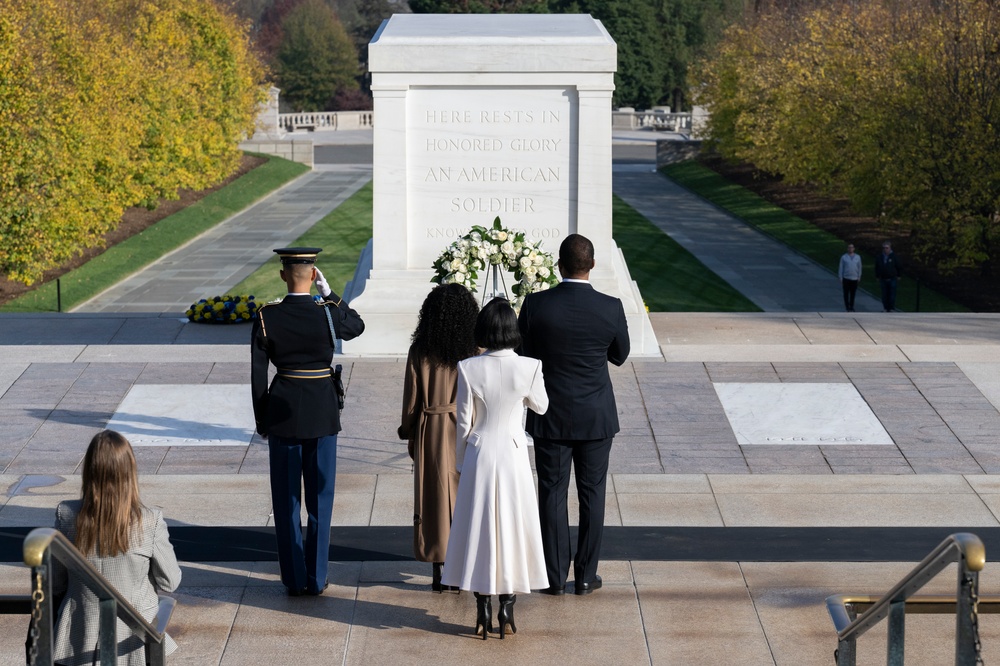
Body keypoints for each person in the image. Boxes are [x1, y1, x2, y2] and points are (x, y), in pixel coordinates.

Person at [517, 233, 630, 596]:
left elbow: (525, 352)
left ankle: (552, 577)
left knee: (551, 494)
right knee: (592, 494)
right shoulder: (610, 307)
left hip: (550, 413)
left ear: (558, 265)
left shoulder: (536, 305)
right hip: (595, 416)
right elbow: (619, 355)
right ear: (592, 265)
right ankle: (585, 576)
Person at [251, 247, 365, 596]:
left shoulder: (267, 316)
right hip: (322, 412)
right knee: (320, 498)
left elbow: (258, 375)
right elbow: (357, 326)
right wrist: (330, 295)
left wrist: (262, 420)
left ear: (284, 274)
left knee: (286, 501)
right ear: (313, 274)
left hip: (283, 413)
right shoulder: (328, 314)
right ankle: (316, 578)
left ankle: (293, 577)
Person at [441, 297, 549, 640]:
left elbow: (463, 421)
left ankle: (482, 604)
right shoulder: (530, 367)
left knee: (480, 528)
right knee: (513, 527)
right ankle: (507, 605)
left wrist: (460, 461)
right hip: (514, 454)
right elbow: (542, 407)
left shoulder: (468, 367)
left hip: (481, 453)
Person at [51, 430, 182, 666]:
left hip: (79, 633)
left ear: (89, 470)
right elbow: (169, 581)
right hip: (134, 638)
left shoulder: (67, 515)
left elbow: (56, 582)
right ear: (129, 471)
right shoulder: (150, 520)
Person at [398, 283, 479, 591]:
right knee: (465, 496)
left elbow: (412, 397)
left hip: (431, 428)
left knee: (433, 498)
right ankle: (463, 567)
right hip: (465, 426)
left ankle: (438, 565)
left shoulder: (420, 350)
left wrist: (409, 431)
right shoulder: (476, 349)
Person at [874, 241, 902, 312]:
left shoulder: (894, 256)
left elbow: (898, 266)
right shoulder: (880, 257)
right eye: (884, 248)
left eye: (887, 248)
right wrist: (877, 276)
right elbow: (877, 267)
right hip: (883, 278)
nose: (885, 249)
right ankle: (885, 308)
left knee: (892, 294)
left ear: (890, 248)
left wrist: (899, 275)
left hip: (892, 278)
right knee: (884, 294)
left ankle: (891, 307)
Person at [838, 243, 862, 312]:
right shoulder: (844, 257)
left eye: (852, 247)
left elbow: (859, 267)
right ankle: (847, 306)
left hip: (854, 278)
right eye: (849, 247)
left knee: (853, 293)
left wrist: (859, 276)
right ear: (847, 248)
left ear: (854, 249)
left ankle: (852, 306)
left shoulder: (858, 257)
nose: (850, 249)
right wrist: (840, 277)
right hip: (846, 278)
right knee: (846, 293)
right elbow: (841, 267)